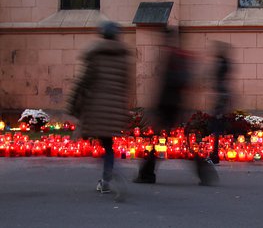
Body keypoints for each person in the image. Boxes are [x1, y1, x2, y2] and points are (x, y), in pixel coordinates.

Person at [134, 27, 218, 186]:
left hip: (168, 105)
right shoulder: (179, 56)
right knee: (169, 141)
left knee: (160, 140)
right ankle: (203, 172)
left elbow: (168, 83)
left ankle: (147, 174)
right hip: (174, 105)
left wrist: (158, 105)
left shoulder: (174, 57)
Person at [68, 21, 131, 194]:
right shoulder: (123, 56)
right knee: (108, 144)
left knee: (103, 145)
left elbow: (84, 81)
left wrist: (73, 104)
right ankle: (107, 178)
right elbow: (127, 84)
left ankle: (111, 175)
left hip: (97, 107)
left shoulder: (96, 55)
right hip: (116, 108)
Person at [208, 41, 233, 164]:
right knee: (217, 125)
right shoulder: (225, 64)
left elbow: (218, 81)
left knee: (217, 125)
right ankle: (215, 152)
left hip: (220, 97)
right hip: (221, 96)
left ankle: (215, 153)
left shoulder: (221, 65)